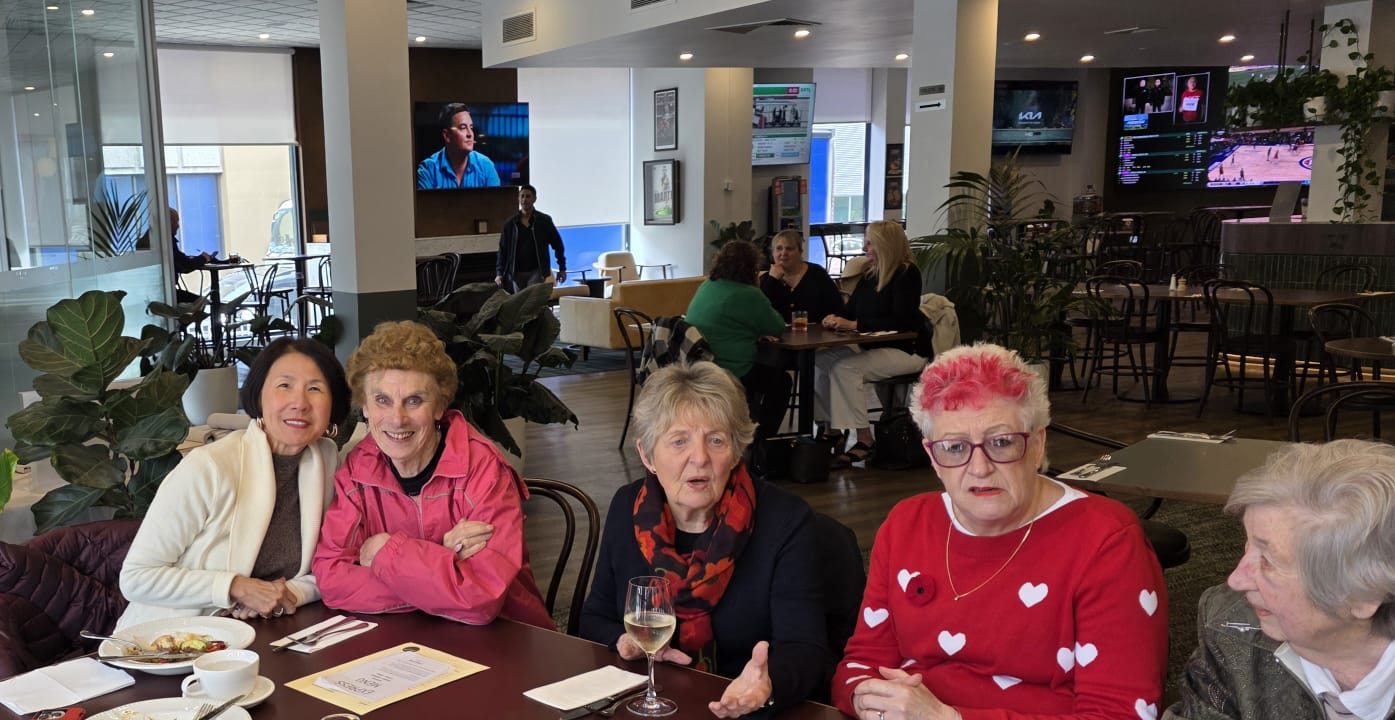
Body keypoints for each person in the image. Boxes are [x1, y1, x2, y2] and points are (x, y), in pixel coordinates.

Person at [834, 343, 1168, 719]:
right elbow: (862, 662)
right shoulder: (906, 524)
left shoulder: (1107, 540)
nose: (979, 467)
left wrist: (948, 718)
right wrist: (869, 702)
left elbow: (1122, 714)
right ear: (933, 458)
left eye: (1001, 442)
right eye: (954, 447)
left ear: (1037, 445)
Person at [580, 361, 828, 717]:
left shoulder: (784, 521)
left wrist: (767, 684)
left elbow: (805, 648)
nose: (699, 458)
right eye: (679, 441)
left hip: (746, 711)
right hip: (652, 703)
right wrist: (624, 640)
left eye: (716, 440)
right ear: (647, 455)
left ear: (736, 451)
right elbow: (595, 617)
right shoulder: (627, 507)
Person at [312, 320, 553, 628]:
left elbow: (481, 599)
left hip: (504, 638)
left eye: (414, 401)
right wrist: (441, 560)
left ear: (439, 406)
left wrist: (384, 553)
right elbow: (332, 580)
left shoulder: (484, 471)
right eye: (382, 400)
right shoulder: (357, 470)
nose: (397, 419)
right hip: (410, 639)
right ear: (365, 407)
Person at [118, 338, 352, 629]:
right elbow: (137, 577)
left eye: (315, 389)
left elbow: (332, 565)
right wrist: (235, 587)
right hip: (169, 638)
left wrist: (281, 594)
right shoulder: (209, 466)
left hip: (261, 633)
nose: (300, 403)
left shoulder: (325, 461)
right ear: (259, 395)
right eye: (284, 385)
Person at [1164, 439, 1395, 720]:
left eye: (1268, 560)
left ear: (1364, 594)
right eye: (1247, 544)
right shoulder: (1231, 625)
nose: (1236, 580)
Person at [815, 220, 930, 468]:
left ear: (885, 245)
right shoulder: (870, 274)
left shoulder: (906, 274)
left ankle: (864, 439)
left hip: (906, 349)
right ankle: (830, 428)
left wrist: (854, 324)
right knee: (821, 361)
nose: (864, 248)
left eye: (870, 243)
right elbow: (850, 310)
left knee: (845, 369)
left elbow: (902, 319)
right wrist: (834, 317)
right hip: (874, 347)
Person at [686, 240, 791, 451]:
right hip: (732, 369)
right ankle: (762, 440)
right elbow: (777, 326)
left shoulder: (708, 286)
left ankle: (746, 431)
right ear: (752, 267)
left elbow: (729, 322)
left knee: (767, 379)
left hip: (701, 365)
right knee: (781, 382)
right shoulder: (748, 294)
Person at [760, 229, 843, 324]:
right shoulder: (767, 279)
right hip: (779, 332)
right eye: (779, 248)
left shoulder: (817, 273)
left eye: (789, 249)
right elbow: (759, 311)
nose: (783, 253)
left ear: (800, 252)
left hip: (817, 331)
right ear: (773, 253)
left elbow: (837, 306)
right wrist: (772, 280)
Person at [494, 184, 566, 292]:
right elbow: (502, 250)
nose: (524, 200)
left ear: (534, 199)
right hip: (516, 273)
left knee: (532, 298)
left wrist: (562, 268)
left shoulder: (544, 221)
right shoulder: (510, 224)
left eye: (528, 196)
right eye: (522, 196)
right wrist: (499, 273)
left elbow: (558, 245)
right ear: (518, 198)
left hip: (537, 271)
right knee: (521, 301)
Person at [416, 102, 501, 189]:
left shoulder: (486, 166)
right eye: (463, 127)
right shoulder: (428, 170)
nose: (470, 134)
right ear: (447, 135)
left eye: (471, 128)